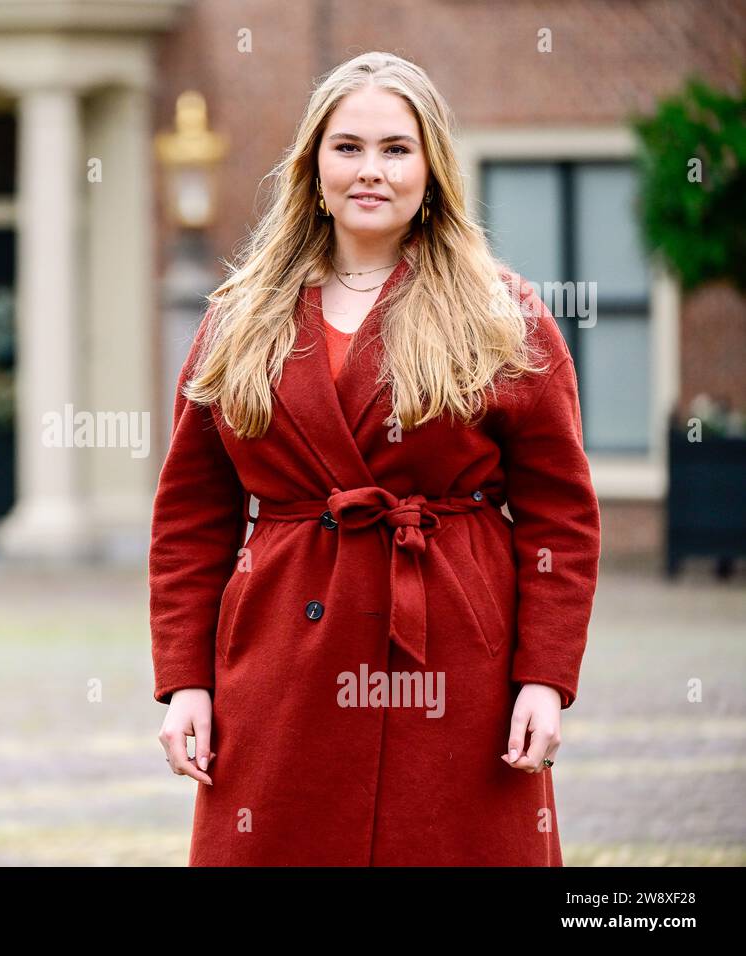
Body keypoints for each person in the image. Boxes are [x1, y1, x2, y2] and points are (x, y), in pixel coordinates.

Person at [148, 51, 601, 866]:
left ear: (431, 168)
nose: (370, 170)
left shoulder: (505, 317)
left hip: (458, 661)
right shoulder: (238, 319)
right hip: (281, 660)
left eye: (396, 149)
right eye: (347, 147)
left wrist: (544, 677)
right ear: (312, 166)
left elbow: (560, 518)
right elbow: (191, 518)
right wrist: (187, 682)